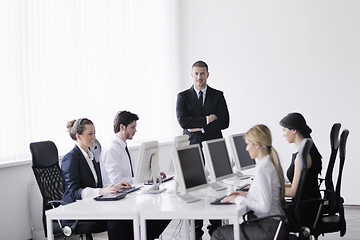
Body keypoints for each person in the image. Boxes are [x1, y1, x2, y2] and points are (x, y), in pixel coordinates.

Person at [176, 60, 230, 239]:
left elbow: (225, 122)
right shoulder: (183, 97)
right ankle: (196, 231)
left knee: (217, 186)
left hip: (214, 146)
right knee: (195, 189)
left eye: (202, 73)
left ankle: (216, 230)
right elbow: (184, 122)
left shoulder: (218, 95)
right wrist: (207, 120)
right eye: (196, 73)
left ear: (208, 74)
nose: (199, 77)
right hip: (193, 148)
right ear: (191, 75)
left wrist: (200, 126)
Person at [100, 110, 170, 240]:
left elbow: (132, 177)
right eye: (133, 127)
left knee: (162, 211)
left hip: (129, 195)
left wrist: (150, 176)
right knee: (159, 215)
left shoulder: (123, 147)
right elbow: (117, 181)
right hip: (117, 201)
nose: (135, 130)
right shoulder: (112, 149)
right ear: (122, 127)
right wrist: (143, 179)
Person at [212, 124, 288, 240]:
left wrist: (238, 199)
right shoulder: (267, 164)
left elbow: (265, 207)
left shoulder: (263, 169)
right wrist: (247, 194)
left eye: (248, 144)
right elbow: (266, 196)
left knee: (219, 233)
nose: (246, 148)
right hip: (275, 225)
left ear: (257, 145)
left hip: (270, 229)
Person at [61, 118, 133, 240]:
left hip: (91, 205)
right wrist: (101, 191)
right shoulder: (71, 158)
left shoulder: (91, 157)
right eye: (90, 134)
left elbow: (95, 186)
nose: (94, 137)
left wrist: (112, 187)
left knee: (125, 214)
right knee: (116, 219)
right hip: (76, 211)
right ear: (78, 136)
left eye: (94, 133)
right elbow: (73, 193)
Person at [280, 112, 322, 225]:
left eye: (284, 130)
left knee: (259, 213)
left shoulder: (302, 157)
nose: (283, 134)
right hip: (309, 205)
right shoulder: (310, 149)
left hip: (304, 211)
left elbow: (294, 191)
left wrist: (267, 192)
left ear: (294, 130)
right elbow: (297, 185)